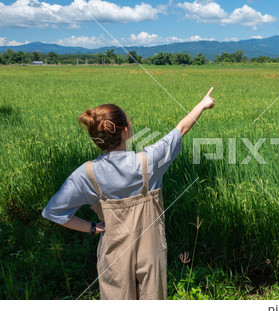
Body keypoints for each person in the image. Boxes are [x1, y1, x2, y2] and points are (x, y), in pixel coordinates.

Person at [41, 87, 215, 300]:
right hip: (150, 252)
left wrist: (94, 228)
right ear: (125, 130)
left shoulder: (86, 174)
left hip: (113, 254)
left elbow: (54, 212)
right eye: (128, 120)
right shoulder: (148, 161)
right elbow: (181, 129)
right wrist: (203, 104)